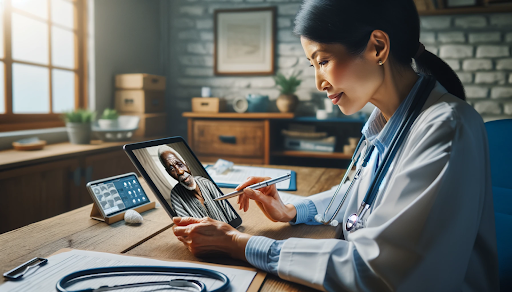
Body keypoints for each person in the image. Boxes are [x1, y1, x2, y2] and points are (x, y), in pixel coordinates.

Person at [171, 0, 500, 290]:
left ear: (377, 48)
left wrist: (239, 244)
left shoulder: (445, 127)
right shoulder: (389, 122)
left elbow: (377, 271)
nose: (318, 82)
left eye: (323, 60)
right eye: (313, 65)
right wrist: (292, 209)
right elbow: (367, 198)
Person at [158, 146, 236, 223]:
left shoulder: (205, 182)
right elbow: (187, 227)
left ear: (186, 164)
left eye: (179, 164)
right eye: (172, 169)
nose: (180, 172)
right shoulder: (175, 195)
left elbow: (229, 211)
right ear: (169, 173)